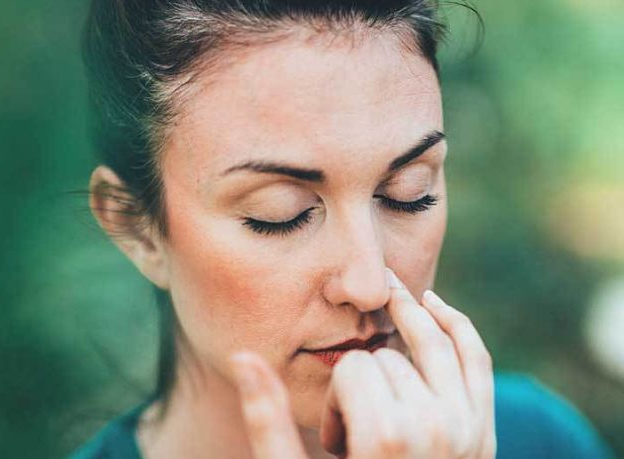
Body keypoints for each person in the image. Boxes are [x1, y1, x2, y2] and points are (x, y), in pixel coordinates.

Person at [68, 1, 618, 458]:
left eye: (409, 194)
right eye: (279, 213)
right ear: (137, 227)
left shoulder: (539, 439)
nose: (369, 284)